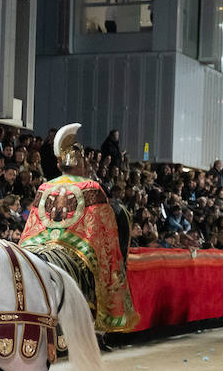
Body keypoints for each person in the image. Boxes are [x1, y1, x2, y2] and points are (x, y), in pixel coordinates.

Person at [20, 123, 140, 332]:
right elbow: (103, 230)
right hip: (74, 251)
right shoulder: (91, 187)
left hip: (36, 246)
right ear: (81, 163)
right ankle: (98, 319)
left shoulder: (44, 187)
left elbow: (32, 227)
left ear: (60, 165)